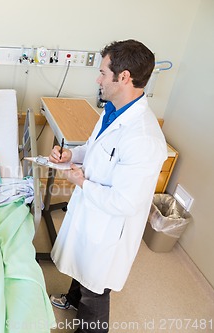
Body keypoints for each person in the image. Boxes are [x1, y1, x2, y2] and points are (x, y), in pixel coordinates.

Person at [47, 40, 167, 333]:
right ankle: (72, 299)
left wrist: (83, 183)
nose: (98, 79)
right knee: (80, 263)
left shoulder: (143, 138)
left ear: (123, 77)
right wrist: (70, 156)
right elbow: (93, 149)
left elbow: (126, 203)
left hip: (110, 227)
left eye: (103, 72)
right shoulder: (112, 110)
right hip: (92, 209)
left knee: (95, 289)